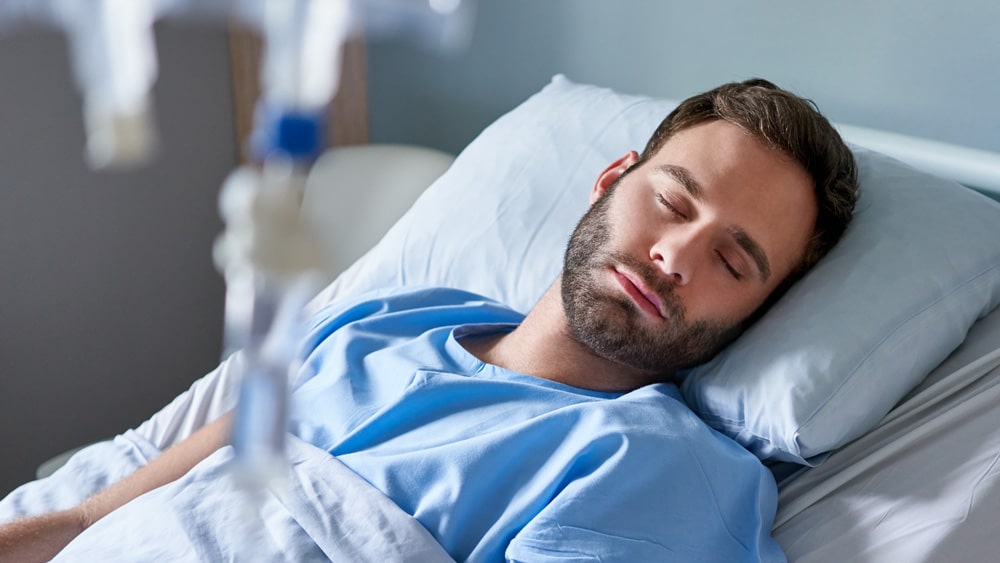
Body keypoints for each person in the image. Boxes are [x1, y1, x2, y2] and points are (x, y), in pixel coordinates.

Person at [0, 78, 858, 562]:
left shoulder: (661, 472)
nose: (677, 255)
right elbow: (93, 517)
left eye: (733, 261)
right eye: (673, 202)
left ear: (755, 315)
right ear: (609, 178)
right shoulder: (388, 322)